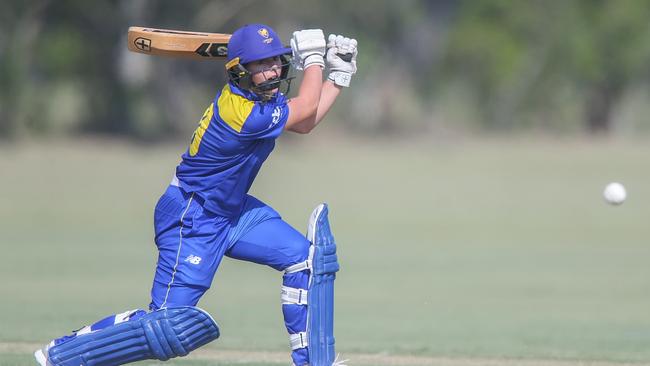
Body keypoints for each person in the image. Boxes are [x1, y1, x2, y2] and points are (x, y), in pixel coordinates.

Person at [34, 24, 357, 366]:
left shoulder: (261, 97)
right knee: (168, 327)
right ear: (239, 70)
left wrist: (338, 74)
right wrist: (314, 60)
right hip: (192, 216)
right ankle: (66, 354)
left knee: (306, 259)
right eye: (261, 65)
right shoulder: (242, 113)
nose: (272, 70)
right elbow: (305, 109)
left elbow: (304, 121)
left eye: (275, 61)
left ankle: (312, 362)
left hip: (232, 213)